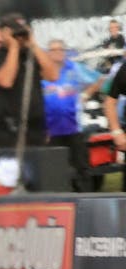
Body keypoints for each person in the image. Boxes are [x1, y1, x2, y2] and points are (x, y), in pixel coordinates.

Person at [0, 13, 59, 148]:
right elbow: (6, 81)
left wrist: (33, 44)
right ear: (4, 33)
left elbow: (53, 76)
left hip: (35, 125)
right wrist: (13, 47)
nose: (19, 37)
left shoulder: (31, 54)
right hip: (8, 126)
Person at [43, 39, 103, 191]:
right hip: (51, 131)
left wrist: (85, 95)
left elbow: (99, 79)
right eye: (53, 50)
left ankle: (86, 197)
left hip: (74, 129)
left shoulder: (74, 68)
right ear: (48, 53)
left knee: (82, 167)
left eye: (60, 49)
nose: (57, 52)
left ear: (65, 52)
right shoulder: (42, 72)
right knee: (53, 169)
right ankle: (59, 200)